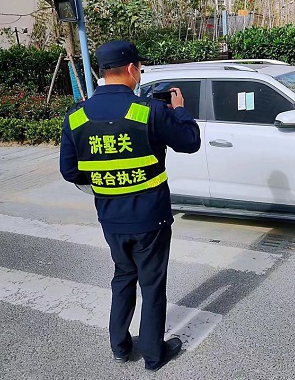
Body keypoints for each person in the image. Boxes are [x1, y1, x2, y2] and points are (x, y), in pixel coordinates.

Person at [59, 40, 201, 372]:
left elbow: (69, 171)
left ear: (103, 71)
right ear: (132, 69)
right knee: (152, 285)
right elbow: (190, 141)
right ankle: (153, 355)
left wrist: (106, 175)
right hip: (150, 219)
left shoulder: (76, 116)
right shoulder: (149, 111)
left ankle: (120, 347)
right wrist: (180, 109)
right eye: (140, 68)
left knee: (123, 276)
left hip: (111, 217)